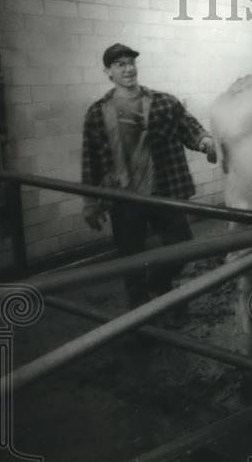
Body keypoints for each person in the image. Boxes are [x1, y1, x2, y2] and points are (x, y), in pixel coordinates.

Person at [81, 43, 217, 307]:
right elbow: (90, 160)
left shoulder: (163, 102)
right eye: (120, 65)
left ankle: (158, 284)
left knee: (182, 248)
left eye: (131, 63)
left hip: (162, 192)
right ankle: (141, 320)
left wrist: (205, 141)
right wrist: (89, 203)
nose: (128, 69)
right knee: (132, 261)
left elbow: (189, 128)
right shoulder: (97, 112)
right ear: (108, 72)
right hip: (123, 198)